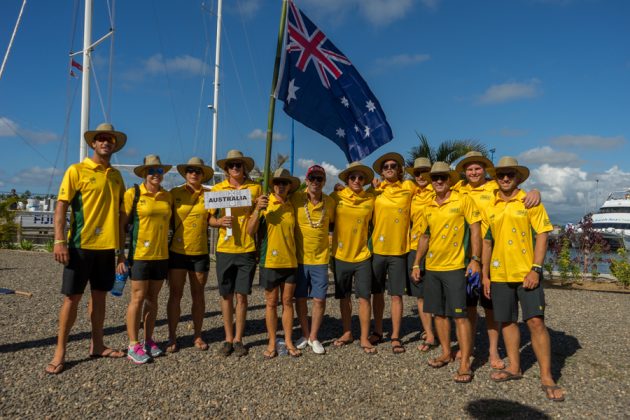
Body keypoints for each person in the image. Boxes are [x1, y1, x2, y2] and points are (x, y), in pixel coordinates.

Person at [46, 123, 127, 375]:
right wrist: (59, 240)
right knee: (72, 298)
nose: (105, 142)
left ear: (114, 145)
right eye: (101, 138)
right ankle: (60, 351)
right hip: (80, 245)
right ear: (93, 143)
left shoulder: (116, 176)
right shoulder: (77, 170)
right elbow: (61, 206)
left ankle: (98, 344)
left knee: (100, 297)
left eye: (110, 139)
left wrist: (121, 251)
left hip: (107, 248)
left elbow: (120, 215)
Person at [481, 157, 564, 402]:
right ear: (496, 178)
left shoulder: (530, 201)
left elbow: (542, 234)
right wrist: (485, 275)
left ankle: (547, 376)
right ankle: (514, 367)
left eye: (510, 174)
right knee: (506, 321)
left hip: (526, 272)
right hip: (499, 274)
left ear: (518, 177)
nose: (505, 178)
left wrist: (536, 269)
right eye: (501, 174)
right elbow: (487, 242)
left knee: (536, 322)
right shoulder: (491, 205)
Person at [453, 151, 541, 369]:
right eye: (470, 169)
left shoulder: (495, 187)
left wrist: (536, 191)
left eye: (478, 168)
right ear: (464, 172)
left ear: (484, 170)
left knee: (490, 307)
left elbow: (516, 194)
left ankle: (493, 351)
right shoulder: (458, 189)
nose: (473, 172)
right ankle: (468, 347)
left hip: (490, 255)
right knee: (469, 305)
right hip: (463, 255)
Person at [411, 161, 481, 383]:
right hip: (432, 268)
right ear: (431, 181)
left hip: (455, 267)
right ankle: (445, 352)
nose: (439, 181)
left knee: (460, 316)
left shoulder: (462, 199)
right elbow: (424, 237)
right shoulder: (428, 206)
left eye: (443, 177)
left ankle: (464, 363)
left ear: (449, 179)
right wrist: (416, 263)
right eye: (435, 178)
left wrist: (476, 259)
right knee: (439, 313)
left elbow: (475, 229)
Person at [118, 155, 172, 364]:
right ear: (144, 174)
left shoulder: (167, 196)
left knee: (153, 299)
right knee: (137, 298)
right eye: (151, 171)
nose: (156, 174)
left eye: (159, 171)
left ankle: (149, 340)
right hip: (140, 254)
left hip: (161, 255)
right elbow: (122, 225)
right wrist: (120, 254)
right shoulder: (134, 193)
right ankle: (133, 344)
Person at [209, 150, 261, 357]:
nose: (236, 168)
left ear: (244, 167)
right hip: (225, 249)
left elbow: (257, 218)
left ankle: (239, 339)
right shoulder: (217, 189)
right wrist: (219, 222)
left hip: (246, 249)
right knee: (226, 295)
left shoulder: (255, 189)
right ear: (226, 169)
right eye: (232, 165)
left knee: (242, 296)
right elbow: (209, 219)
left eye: (239, 165)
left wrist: (259, 207)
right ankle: (227, 338)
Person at [247, 168, 301, 358]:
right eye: (277, 182)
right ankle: (271, 341)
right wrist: (256, 210)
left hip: (290, 261)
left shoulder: (292, 205)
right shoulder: (264, 203)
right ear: (273, 185)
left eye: (284, 183)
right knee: (271, 303)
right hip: (269, 260)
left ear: (289, 186)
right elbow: (250, 231)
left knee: (287, 302)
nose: (280, 186)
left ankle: (287, 340)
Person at [166, 157, 214, 353]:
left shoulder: (210, 195)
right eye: (190, 170)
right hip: (177, 252)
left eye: (198, 171)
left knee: (198, 295)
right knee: (175, 294)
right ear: (185, 174)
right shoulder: (173, 193)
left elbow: (212, 219)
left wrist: (222, 223)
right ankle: (172, 336)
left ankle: (197, 334)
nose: (194, 173)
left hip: (199, 252)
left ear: (203, 175)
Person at [370, 152, 415, 354]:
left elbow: (430, 190)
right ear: (381, 171)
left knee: (396, 296)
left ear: (399, 170)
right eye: (386, 166)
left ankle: (395, 336)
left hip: (399, 250)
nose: (389, 168)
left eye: (393, 166)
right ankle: (378, 331)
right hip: (377, 250)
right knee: (377, 293)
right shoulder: (376, 190)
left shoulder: (409, 187)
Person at [330, 162, 377, 354]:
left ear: (365, 181)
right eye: (353, 177)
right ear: (347, 180)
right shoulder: (336, 197)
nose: (357, 180)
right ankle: (347, 332)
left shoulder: (371, 199)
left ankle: (364, 337)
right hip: (340, 255)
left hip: (363, 255)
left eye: (360, 178)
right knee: (345, 297)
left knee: (365, 298)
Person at [291, 165, 335, 355]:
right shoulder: (296, 199)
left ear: (324, 181)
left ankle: (314, 336)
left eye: (320, 179)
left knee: (319, 299)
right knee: (300, 298)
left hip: (320, 260)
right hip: (299, 259)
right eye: (312, 178)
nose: (315, 182)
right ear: (306, 180)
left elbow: (334, 225)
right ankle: (305, 333)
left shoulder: (331, 202)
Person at [405, 157, 437, 352]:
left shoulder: (441, 190)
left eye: (426, 172)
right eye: (417, 173)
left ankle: (442, 331)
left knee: (439, 293)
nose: (421, 176)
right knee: (420, 294)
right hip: (415, 247)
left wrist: (534, 191)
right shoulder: (412, 193)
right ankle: (430, 333)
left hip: (438, 249)